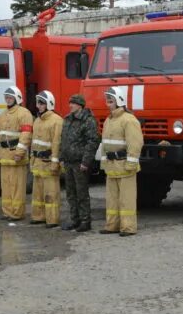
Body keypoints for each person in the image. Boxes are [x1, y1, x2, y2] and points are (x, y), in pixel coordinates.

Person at [98, 87, 143, 236]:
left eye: (111, 100)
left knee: (126, 200)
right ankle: (112, 225)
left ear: (119, 101)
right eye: (107, 100)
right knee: (112, 200)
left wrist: (131, 164)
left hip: (124, 167)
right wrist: (104, 164)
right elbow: (105, 145)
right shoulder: (108, 120)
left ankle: (128, 227)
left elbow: (135, 144)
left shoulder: (129, 120)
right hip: (112, 167)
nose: (108, 102)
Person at [60, 93, 98, 232]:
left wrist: (86, 161)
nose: (70, 105)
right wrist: (61, 157)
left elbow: (92, 142)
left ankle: (85, 221)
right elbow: (63, 139)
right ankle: (74, 219)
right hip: (69, 162)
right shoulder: (68, 119)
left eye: (73, 103)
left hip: (79, 163)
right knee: (70, 192)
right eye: (70, 103)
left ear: (80, 105)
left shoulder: (88, 120)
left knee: (81, 192)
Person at [0, 86, 34, 221]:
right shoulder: (2, 115)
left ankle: (17, 213)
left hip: (16, 156)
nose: (7, 99)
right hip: (4, 156)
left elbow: (26, 134)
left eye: (10, 97)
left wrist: (20, 152)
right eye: (6, 97)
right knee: (5, 185)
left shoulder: (24, 113)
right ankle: (7, 212)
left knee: (17, 186)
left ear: (17, 98)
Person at [29, 90, 63, 227]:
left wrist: (55, 162)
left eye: (42, 103)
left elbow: (57, 143)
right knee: (37, 194)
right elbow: (33, 142)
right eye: (38, 103)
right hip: (38, 163)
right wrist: (32, 159)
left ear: (49, 104)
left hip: (48, 163)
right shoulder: (37, 120)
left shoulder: (57, 121)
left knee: (51, 193)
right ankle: (38, 216)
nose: (39, 105)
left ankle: (52, 219)